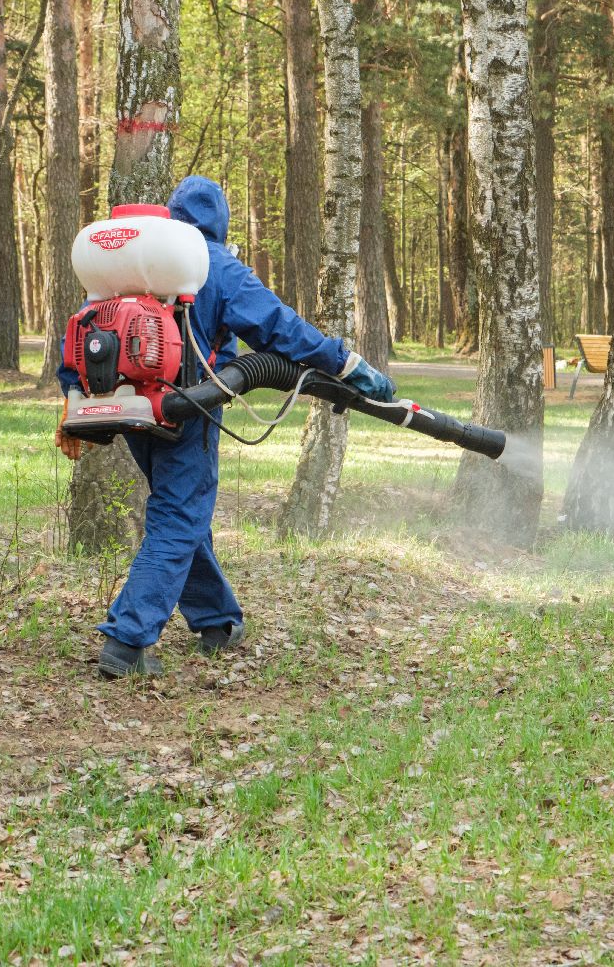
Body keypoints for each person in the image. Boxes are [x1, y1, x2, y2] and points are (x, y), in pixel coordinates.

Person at [55, 175, 395, 679]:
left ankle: (216, 620)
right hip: (185, 410)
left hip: (128, 407)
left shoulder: (132, 260)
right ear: (220, 221)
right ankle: (127, 640)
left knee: (182, 509)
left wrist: (72, 402)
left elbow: (84, 332)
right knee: (179, 515)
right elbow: (279, 327)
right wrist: (345, 363)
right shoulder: (211, 261)